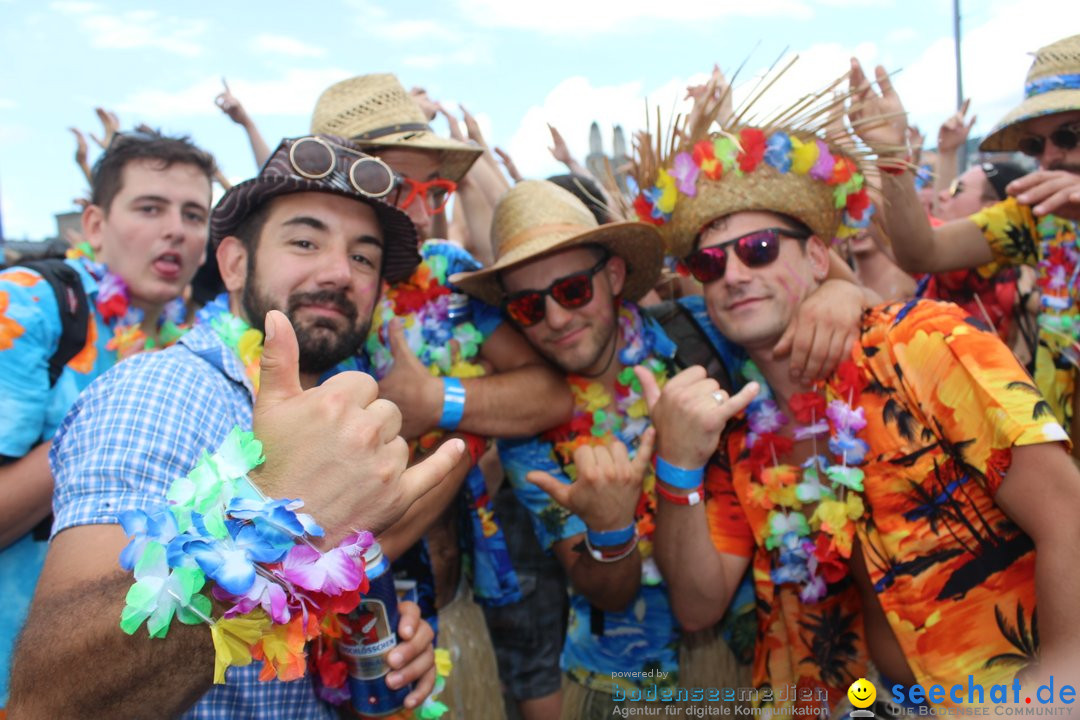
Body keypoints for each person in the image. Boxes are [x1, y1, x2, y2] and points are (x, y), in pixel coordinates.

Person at [626, 66, 1080, 714]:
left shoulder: (923, 346)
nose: (731, 273)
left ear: (817, 258)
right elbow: (697, 605)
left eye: (756, 248)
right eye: (707, 262)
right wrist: (676, 466)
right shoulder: (729, 433)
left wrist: (1059, 691)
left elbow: (1068, 514)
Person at [8, 135, 460, 718]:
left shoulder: (344, 422)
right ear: (234, 264)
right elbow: (48, 702)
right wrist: (272, 530)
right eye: (304, 240)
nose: (340, 272)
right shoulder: (159, 392)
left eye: (363, 257)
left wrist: (365, 665)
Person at [452, 178, 869, 718]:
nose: (555, 319)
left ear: (615, 276)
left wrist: (843, 292)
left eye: (573, 290)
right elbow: (605, 592)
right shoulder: (528, 434)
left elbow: (813, 302)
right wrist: (609, 530)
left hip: (755, 657)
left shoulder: (702, 331)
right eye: (529, 306)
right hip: (620, 687)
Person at [311, 76, 575, 719]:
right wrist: (455, 461)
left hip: (468, 608)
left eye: (436, 190)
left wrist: (438, 400)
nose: (425, 214)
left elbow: (548, 394)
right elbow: (330, 550)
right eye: (404, 187)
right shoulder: (307, 311)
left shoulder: (448, 273)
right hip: (368, 641)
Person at [0, 130, 215, 711]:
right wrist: (111, 418)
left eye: (194, 214)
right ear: (94, 226)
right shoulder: (28, 304)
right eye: (150, 208)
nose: (176, 229)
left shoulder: (181, 342)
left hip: (105, 678)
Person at [859, 34, 1080, 453]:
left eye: (1069, 135)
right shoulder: (1034, 216)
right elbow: (922, 252)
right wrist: (890, 154)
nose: (1051, 156)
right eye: (1035, 144)